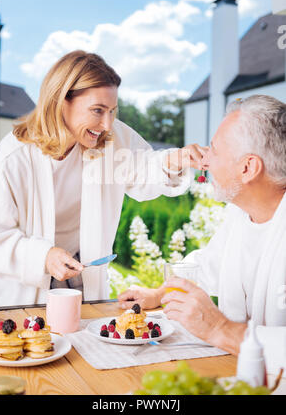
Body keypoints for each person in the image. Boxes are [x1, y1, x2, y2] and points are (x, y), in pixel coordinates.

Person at [0, 50, 206, 307]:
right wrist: (43, 257)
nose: (107, 124)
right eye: (97, 110)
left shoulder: (109, 139)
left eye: (112, 111)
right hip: (23, 289)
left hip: (83, 274)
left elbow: (143, 167)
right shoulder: (14, 159)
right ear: (61, 101)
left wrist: (173, 160)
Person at [118, 95, 286, 356]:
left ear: (248, 167)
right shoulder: (240, 214)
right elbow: (209, 266)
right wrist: (159, 294)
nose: (204, 162)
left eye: (215, 151)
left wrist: (219, 329)